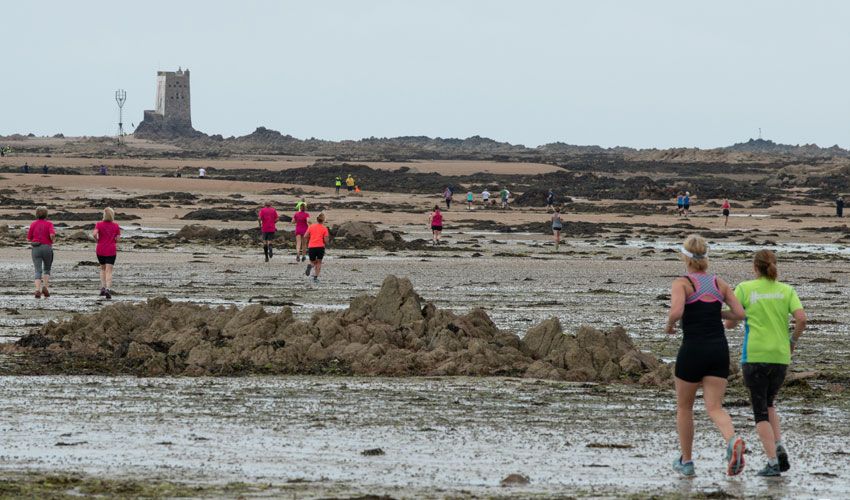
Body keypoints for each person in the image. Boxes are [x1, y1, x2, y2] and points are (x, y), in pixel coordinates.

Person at [665, 234, 747, 477]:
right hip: (718, 351)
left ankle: (687, 461)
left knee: (684, 408)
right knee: (714, 407)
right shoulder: (719, 283)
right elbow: (740, 313)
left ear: (685, 257)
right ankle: (732, 440)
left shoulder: (682, 283)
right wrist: (715, 313)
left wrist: (669, 324)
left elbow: (678, 311)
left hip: (692, 351)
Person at [725, 250, 806, 477]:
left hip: (755, 356)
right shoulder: (786, 290)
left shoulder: (744, 288)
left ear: (755, 267)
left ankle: (772, 463)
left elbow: (732, 322)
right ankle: (778, 445)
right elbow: (801, 319)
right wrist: (792, 341)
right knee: (769, 403)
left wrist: (721, 317)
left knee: (760, 411)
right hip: (780, 357)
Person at [26, 206, 55, 299]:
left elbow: (28, 238)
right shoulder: (49, 224)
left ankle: (37, 290)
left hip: (36, 248)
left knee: (37, 270)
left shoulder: (33, 224)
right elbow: (52, 235)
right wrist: (53, 240)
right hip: (47, 247)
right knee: (47, 268)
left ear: (36, 214)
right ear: (46, 214)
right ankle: (45, 287)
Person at [92, 207, 121, 300]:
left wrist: (97, 240)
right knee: (109, 270)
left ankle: (103, 288)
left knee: (102, 268)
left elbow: (94, 234)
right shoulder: (116, 225)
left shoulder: (99, 224)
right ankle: (108, 288)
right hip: (111, 249)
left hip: (100, 249)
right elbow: (118, 238)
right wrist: (114, 241)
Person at [304, 213, 329, 283]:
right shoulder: (324, 228)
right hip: (320, 247)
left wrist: (310, 237)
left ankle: (311, 265)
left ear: (317, 219)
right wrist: (327, 242)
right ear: (323, 220)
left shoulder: (311, 226)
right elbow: (326, 240)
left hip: (311, 246)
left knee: (313, 261)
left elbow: (305, 236)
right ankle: (315, 277)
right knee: (319, 262)